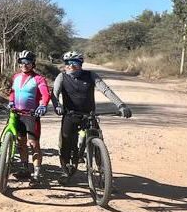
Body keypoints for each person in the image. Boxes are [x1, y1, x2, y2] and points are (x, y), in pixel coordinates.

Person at [50, 51, 132, 185]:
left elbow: (106, 90)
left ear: (81, 64)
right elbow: (54, 94)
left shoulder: (91, 76)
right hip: (70, 115)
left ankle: (104, 175)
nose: (70, 66)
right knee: (65, 143)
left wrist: (121, 105)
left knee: (99, 142)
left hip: (89, 115)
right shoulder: (62, 77)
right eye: (67, 63)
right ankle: (65, 171)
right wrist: (57, 105)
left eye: (74, 63)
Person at [8, 50, 51, 184]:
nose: (24, 64)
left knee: (33, 144)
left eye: (28, 62)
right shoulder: (16, 77)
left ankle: (36, 173)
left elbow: (45, 94)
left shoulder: (39, 79)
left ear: (33, 64)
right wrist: (10, 101)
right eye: (21, 62)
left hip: (31, 116)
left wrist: (43, 105)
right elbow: (12, 92)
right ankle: (25, 168)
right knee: (21, 143)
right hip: (18, 114)